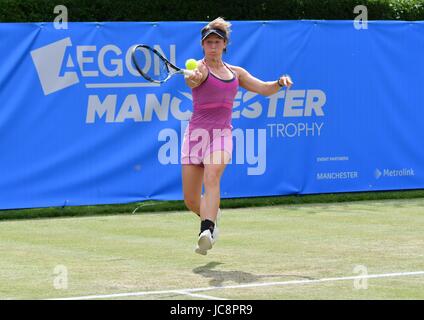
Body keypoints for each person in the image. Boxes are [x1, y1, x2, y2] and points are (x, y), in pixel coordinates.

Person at [182, 17, 293, 255]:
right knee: (191, 200)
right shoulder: (199, 69)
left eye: (217, 42)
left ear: (224, 45)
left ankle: (207, 229)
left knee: (212, 175)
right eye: (208, 42)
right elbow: (193, 79)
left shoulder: (236, 73)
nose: (212, 46)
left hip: (222, 134)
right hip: (196, 135)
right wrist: (193, 78)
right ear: (202, 46)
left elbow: (264, 88)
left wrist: (279, 83)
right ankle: (212, 215)